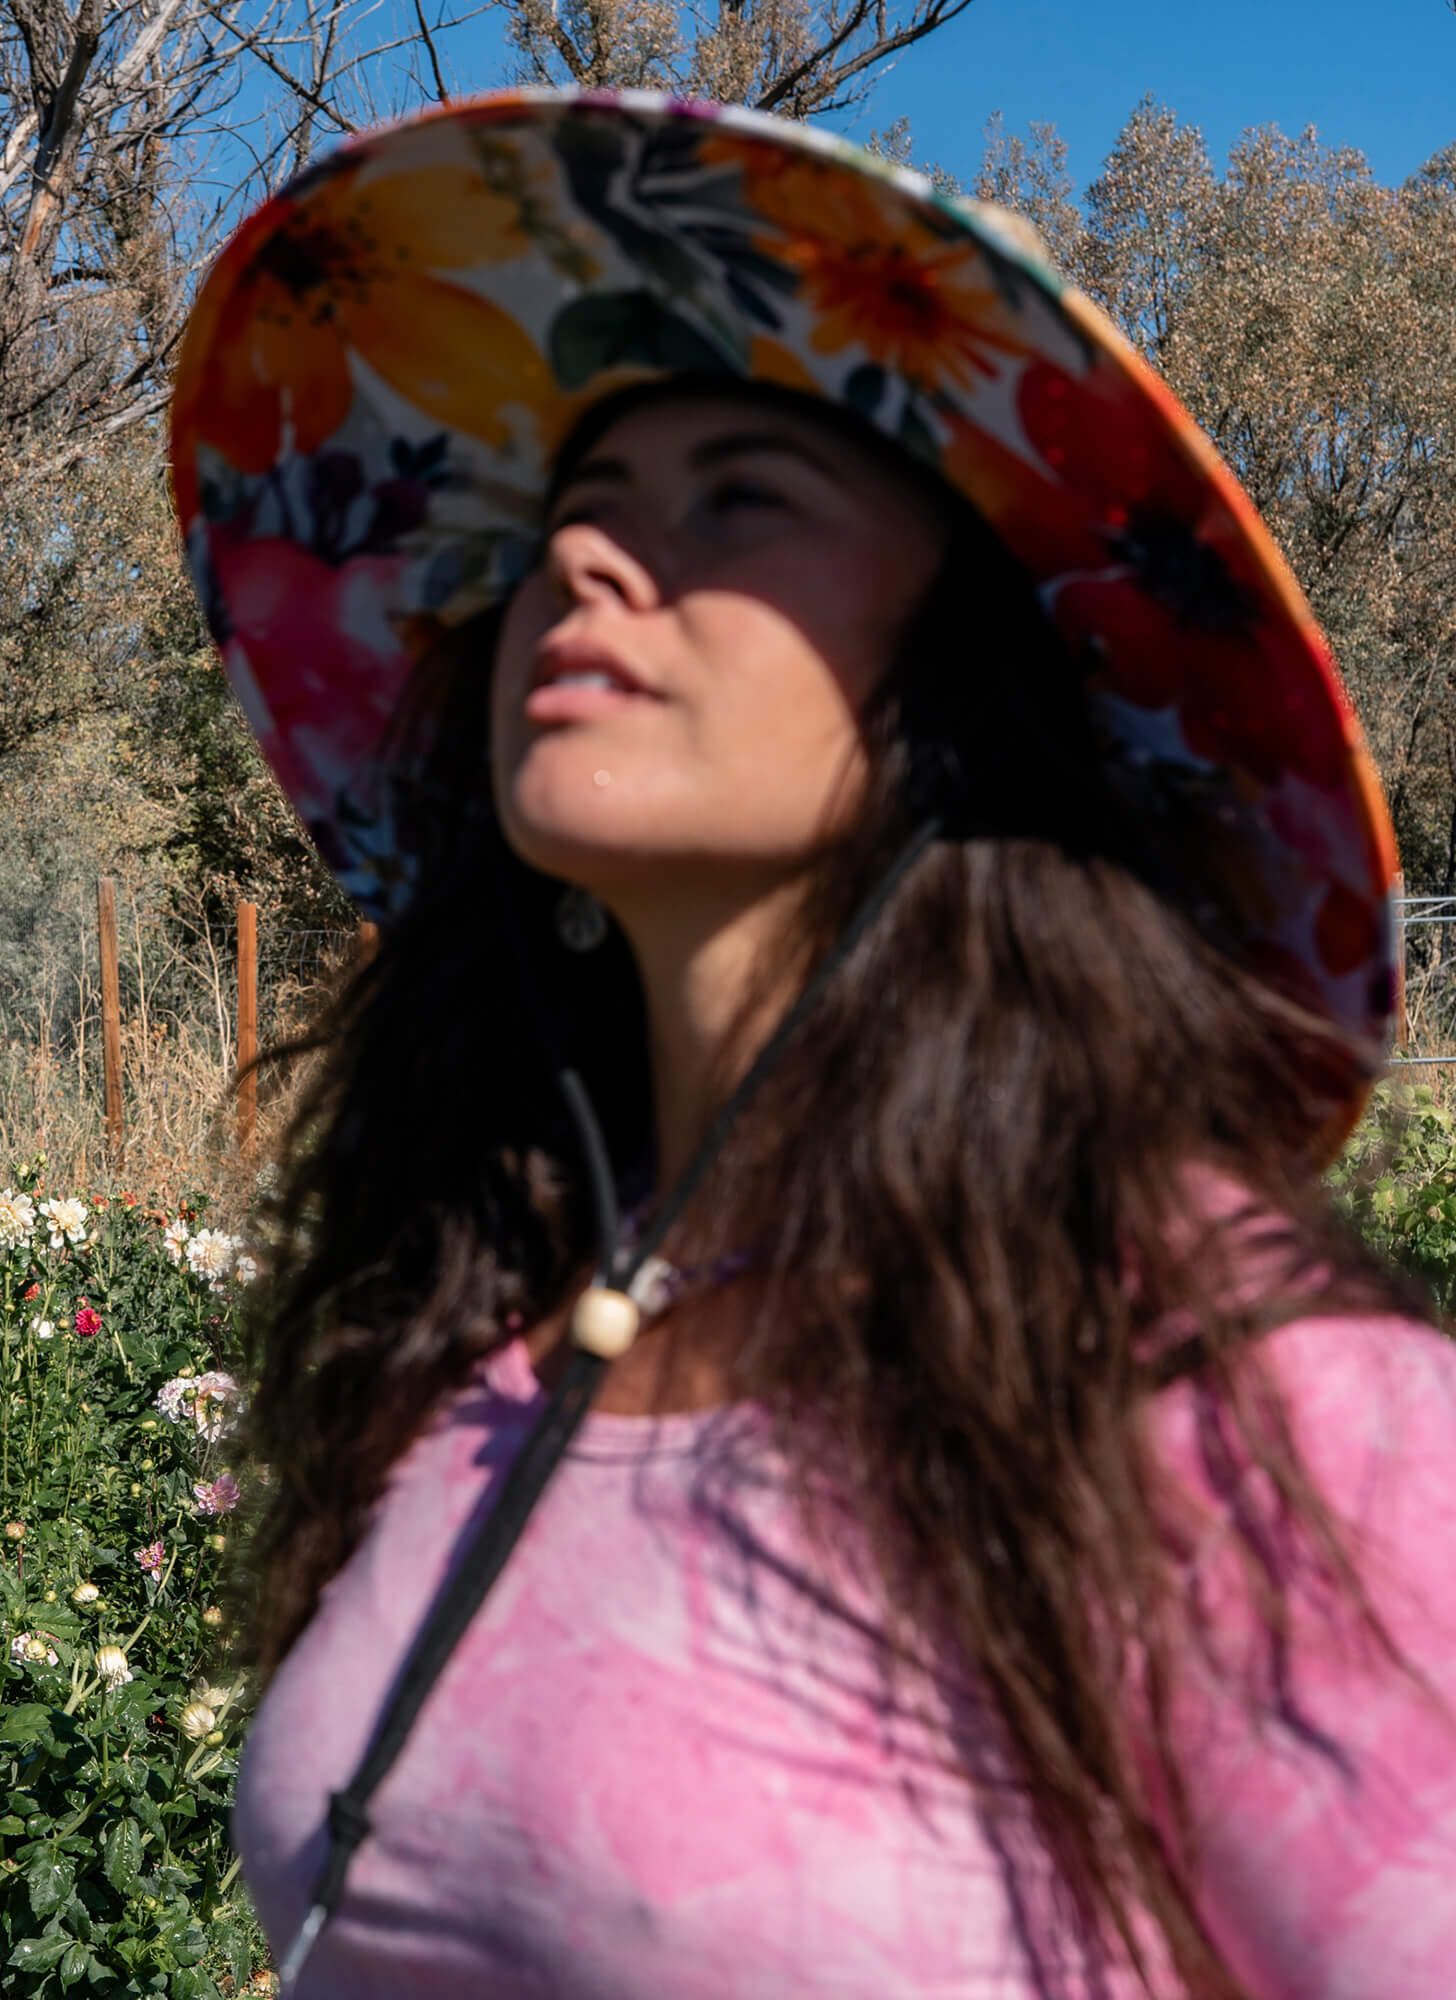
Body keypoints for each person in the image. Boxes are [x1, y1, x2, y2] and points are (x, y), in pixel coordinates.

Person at [167, 91, 1456, 1998]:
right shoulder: (485, 1335)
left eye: (738, 500)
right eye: (570, 523)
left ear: (968, 691)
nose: (588, 568)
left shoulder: (1236, 1398)